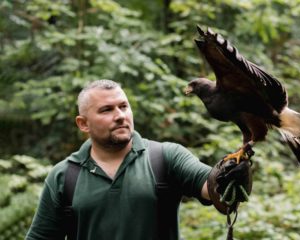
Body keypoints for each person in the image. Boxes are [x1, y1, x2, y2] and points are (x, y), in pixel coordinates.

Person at [26, 79, 251, 240]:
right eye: (106, 110)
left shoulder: (165, 157)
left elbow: (211, 186)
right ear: (83, 123)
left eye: (124, 106)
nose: (120, 115)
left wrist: (230, 174)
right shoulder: (65, 175)